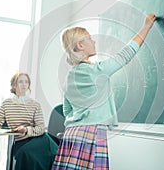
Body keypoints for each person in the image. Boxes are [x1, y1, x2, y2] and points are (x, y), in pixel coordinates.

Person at [51, 14, 156, 169]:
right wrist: (146, 26)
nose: (93, 41)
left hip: (71, 136)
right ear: (80, 45)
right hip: (91, 134)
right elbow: (126, 54)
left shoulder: (68, 78)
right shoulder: (96, 71)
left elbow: (67, 111)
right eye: (89, 38)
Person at [0, 72, 58, 170]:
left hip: (40, 140)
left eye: (26, 82)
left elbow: (41, 128)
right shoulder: (6, 103)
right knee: (25, 153)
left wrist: (26, 130)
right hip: (20, 141)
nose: (24, 84)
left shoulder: (35, 104)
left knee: (27, 154)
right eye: (20, 81)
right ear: (14, 85)